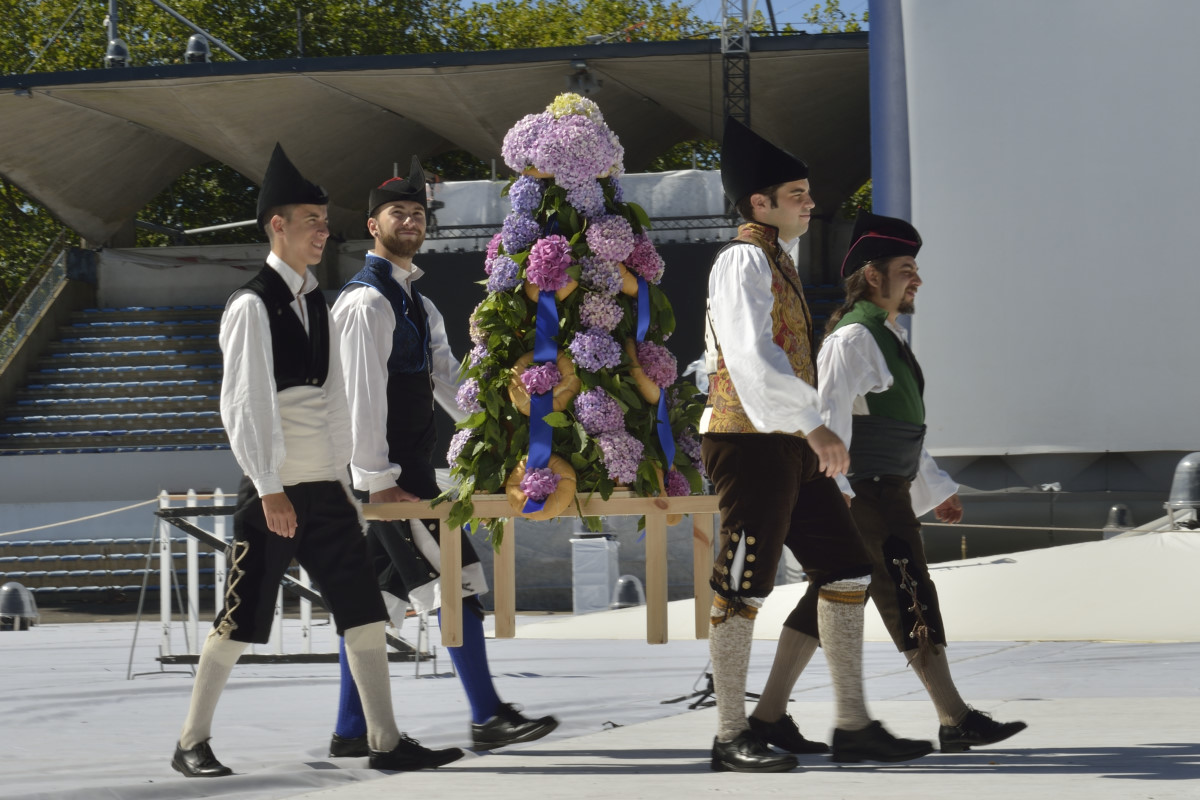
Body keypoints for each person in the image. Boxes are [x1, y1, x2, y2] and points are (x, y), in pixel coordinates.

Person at [170, 144, 463, 778]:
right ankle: (191, 741)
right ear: (277, 224)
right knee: (242, 619)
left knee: (361, 614)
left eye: (326, 221)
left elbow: (337, 402)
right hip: (273, 493)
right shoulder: (251, 304)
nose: (322, 232)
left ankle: (385, 742)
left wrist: (348, 482)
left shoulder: (321, 306)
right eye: (311, 220)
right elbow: (243, 405)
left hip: (327, 488)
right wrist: (270, 487)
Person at [700, 118, 933, 772]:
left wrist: (806, 432)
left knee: (847, 570)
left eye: (807, 193)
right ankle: (729, 733)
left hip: (788, 445)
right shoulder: (742, 259)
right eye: (797, 193)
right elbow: (751, 357)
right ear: (759, 204)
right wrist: (814, 422)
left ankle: (853, 723)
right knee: (743, 581)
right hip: (747, 441)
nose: (810, 203)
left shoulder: (780, 261)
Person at [327, 159, 558, 757]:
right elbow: (358, 401)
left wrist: (505, 430)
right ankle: (486, 715)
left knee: (375, 607)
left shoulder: (416, 301)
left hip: (409, 475)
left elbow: (448, 380)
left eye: (418, 213)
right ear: (372, 224)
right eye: (396, 212)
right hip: (387, 483)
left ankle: (351, 731)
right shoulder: (364, 304)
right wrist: (377, 484)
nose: (410, 220)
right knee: (456, 582)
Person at [817, 210, 1027, 752]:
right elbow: (831, 421)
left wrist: (935, 488)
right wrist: (840, 497)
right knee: (909, 591)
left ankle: (769, 714)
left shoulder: (884, 335)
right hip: (867, 494)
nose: (918, 279)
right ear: (872, 276)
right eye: (907, 268)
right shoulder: (851, 340)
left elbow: (903, 427)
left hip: (886, 489)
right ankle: (955, 718)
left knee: (825, 606)